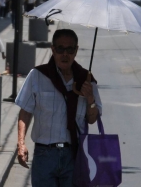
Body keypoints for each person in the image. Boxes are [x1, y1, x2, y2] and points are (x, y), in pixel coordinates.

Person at [15, 29, 102, 186]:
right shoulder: (38, 75)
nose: (65, 54)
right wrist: (21, 143)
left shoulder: (86, 80)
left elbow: (92, 119)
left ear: (76, 50)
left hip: (74, 155)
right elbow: (25, 112)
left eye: (70, 49)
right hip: (45, 155)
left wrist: (90, 99)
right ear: (53, 49)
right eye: (60, 49)